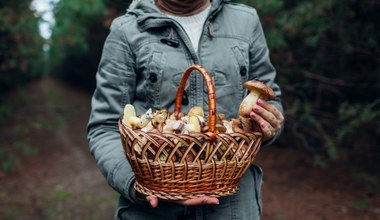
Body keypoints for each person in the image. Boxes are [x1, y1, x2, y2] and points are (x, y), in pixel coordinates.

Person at [87, 0, 284, 219]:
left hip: (232, 209)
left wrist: (268, 124)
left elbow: (271, 99)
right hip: (153, 211)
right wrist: (139, 184)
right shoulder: (127, 30)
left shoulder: (245, 21)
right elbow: (104, 126)